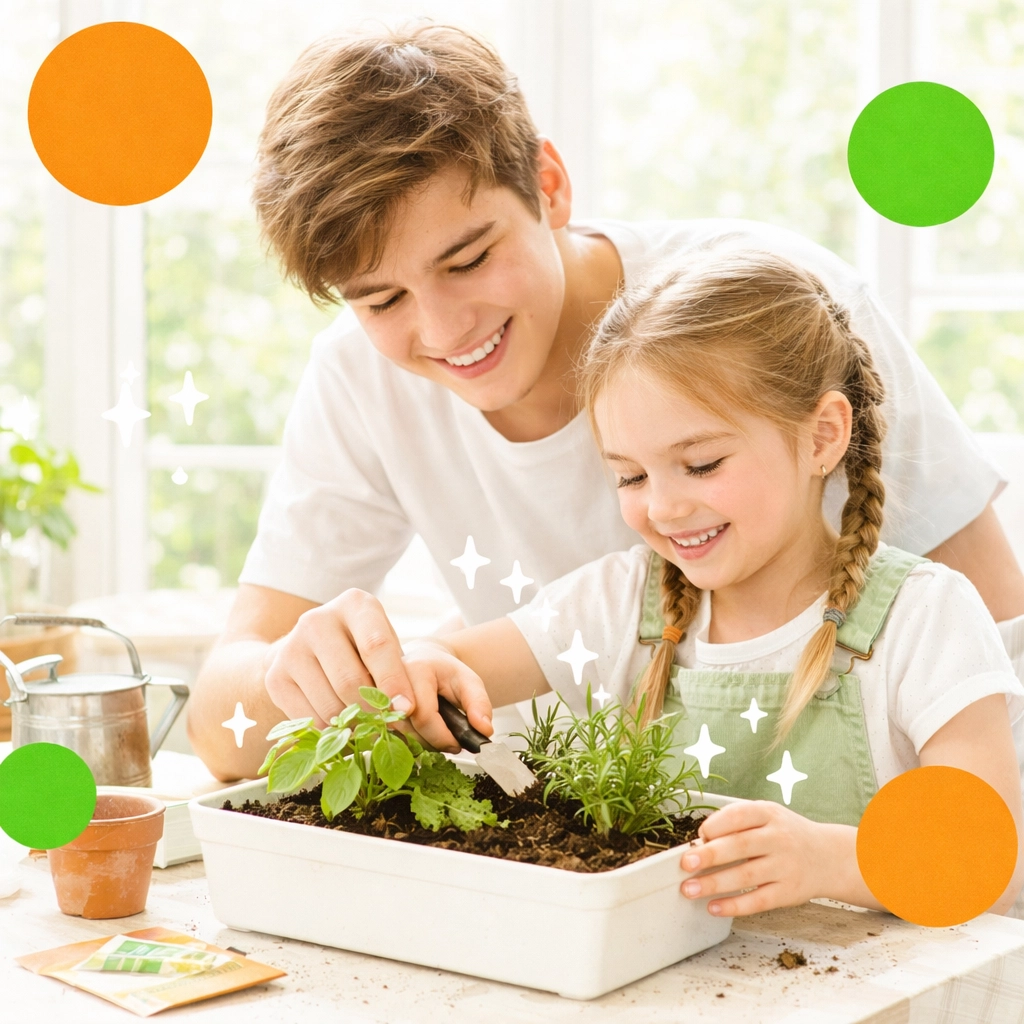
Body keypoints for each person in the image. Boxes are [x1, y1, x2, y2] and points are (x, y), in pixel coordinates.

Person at [187, 22, 1024, 781]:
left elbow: (1001, 647)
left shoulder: (766, 308)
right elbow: (219, 731)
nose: (444, 329)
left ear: (549, 184)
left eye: (468, 260)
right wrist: (307, 675)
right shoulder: (360, 383)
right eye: (380, 300)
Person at [388, 244, 1024, 918]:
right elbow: (446, 663)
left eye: (701, 465)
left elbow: (992, 859)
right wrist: (424, 663)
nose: (663, 508)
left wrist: (832, 860)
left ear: (821, 436)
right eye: (631, 476)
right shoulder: (616, 604)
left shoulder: (923, 618)